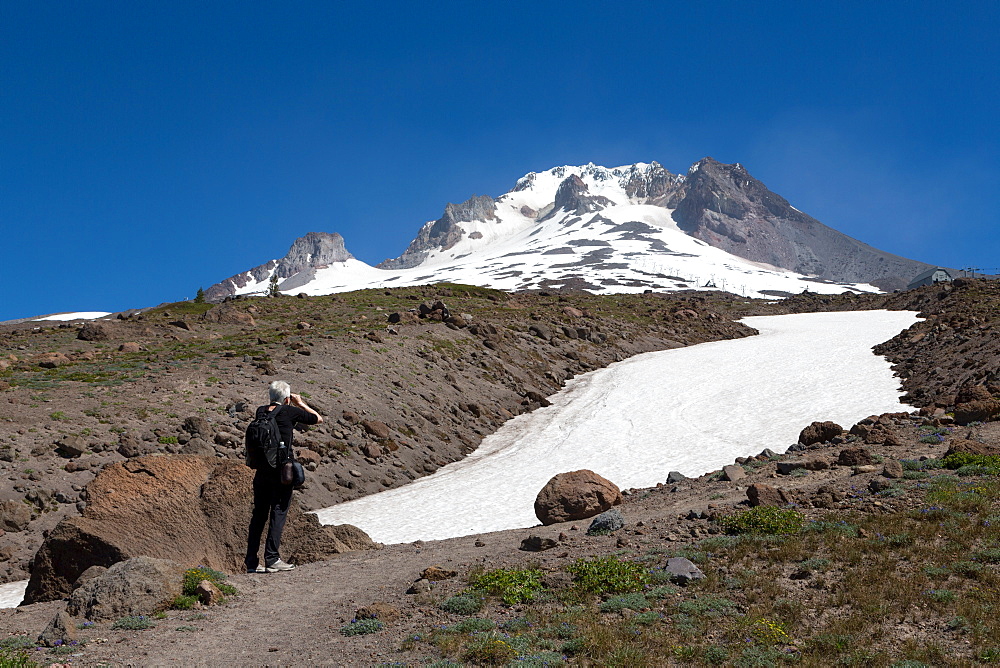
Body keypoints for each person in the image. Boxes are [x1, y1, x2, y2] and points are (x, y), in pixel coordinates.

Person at [245, 380, 323, 573]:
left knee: (259, 516)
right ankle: (272, 558)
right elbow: (317, 419)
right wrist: (300, 403)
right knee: (278, 512)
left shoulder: (261, 411)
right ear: (287, 398)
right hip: (281, 472)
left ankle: (251, 563)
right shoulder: (289, 411)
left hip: (262, 472)